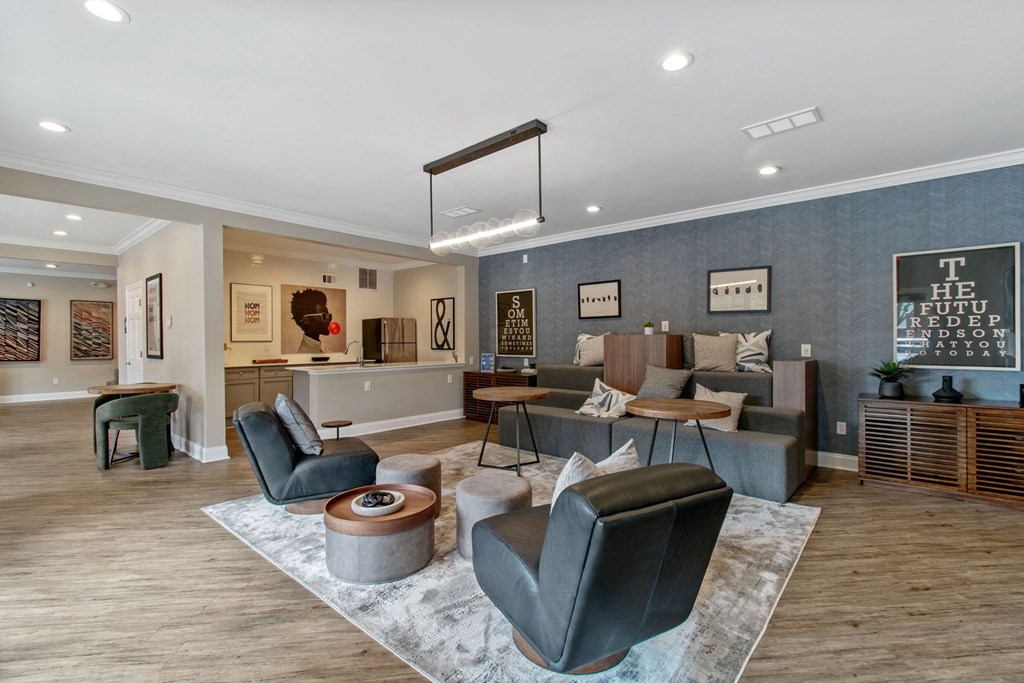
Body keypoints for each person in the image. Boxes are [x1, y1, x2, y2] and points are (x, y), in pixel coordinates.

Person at [290, 288, 332, 353]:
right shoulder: (307, 351)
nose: (328, 320)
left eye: (329, 316)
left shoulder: (313, 347)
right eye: (323, 316)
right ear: (306, 320)